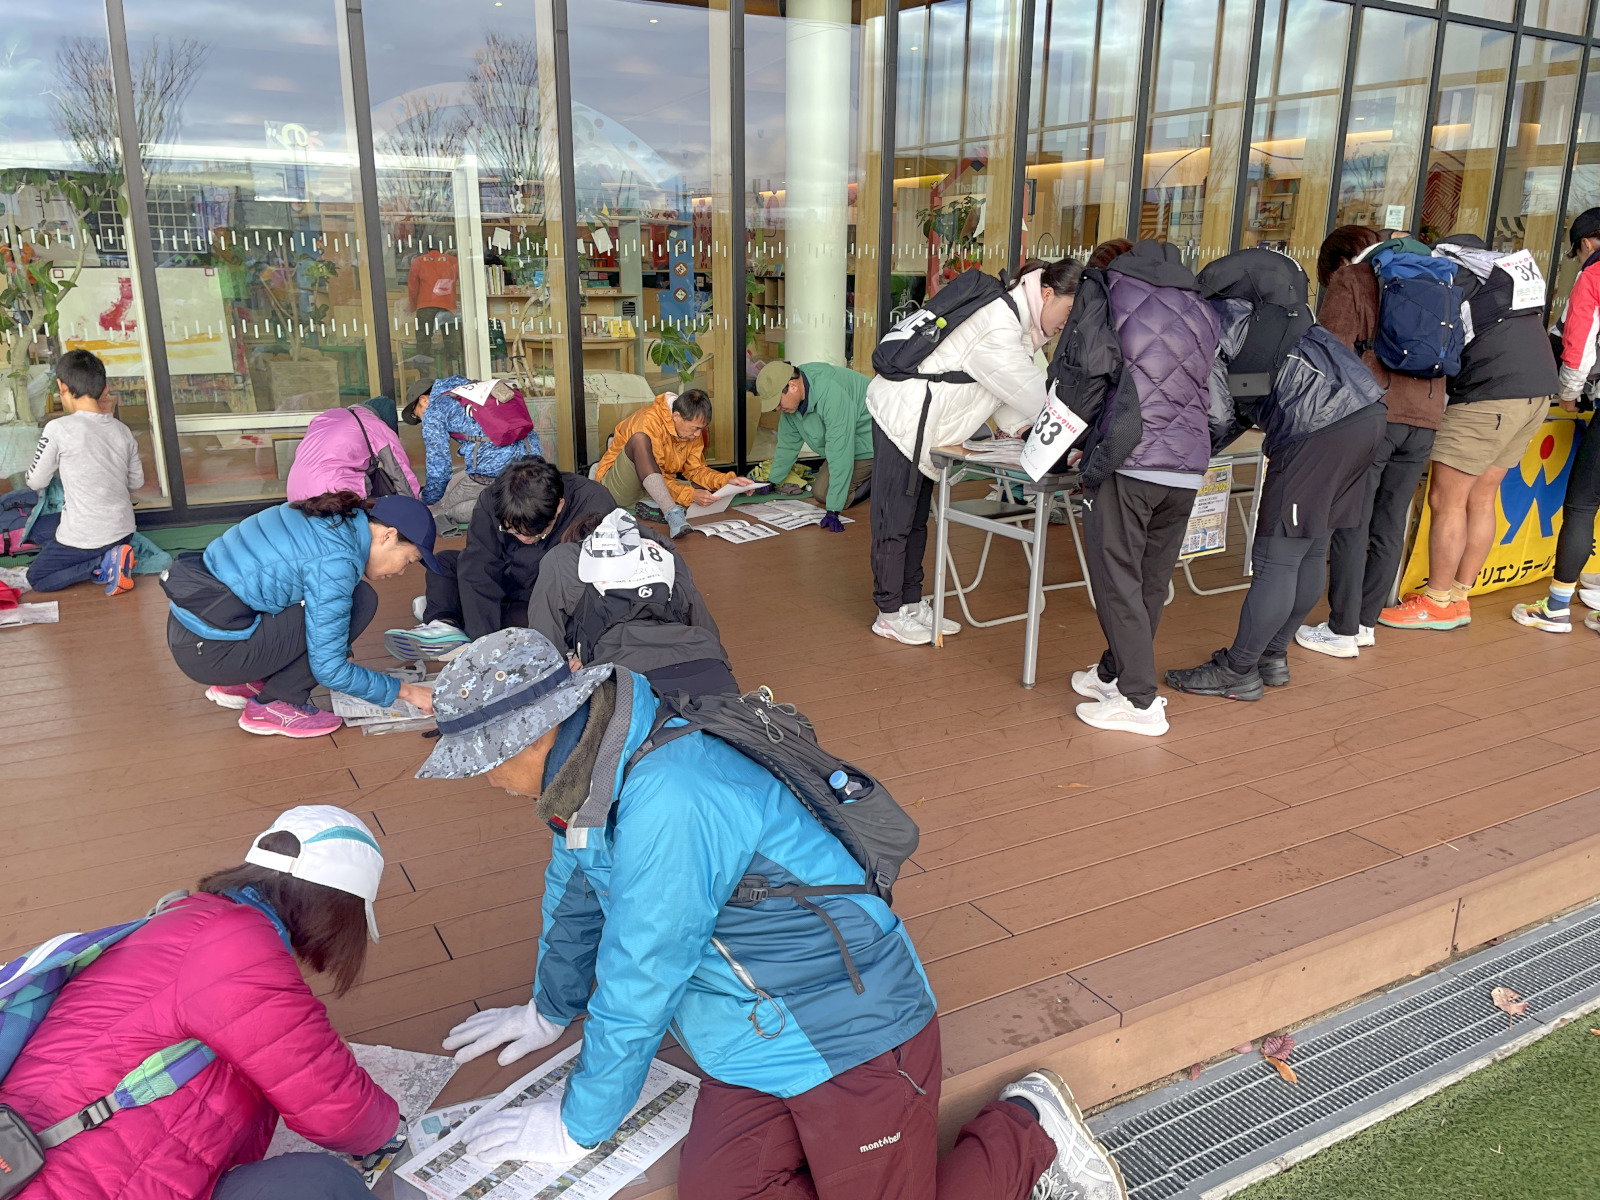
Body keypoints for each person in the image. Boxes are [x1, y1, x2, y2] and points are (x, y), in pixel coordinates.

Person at [417, 628, 1128, 1200]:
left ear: (533, 735)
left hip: (850, 1033)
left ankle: (1029, 1129)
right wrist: (549, 1008)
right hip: (747, 1038)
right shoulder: (588, 773)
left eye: (482, 761)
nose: (485, 779)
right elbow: (575, 892)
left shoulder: (672, 799)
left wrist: (579, 1125)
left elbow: (642, 973)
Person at [0, 805, 400, 1199]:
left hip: (65, 1166)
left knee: (309, 1181)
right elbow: (338, 1109)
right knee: (324, 1185)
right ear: (335, 910)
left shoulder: (191, 919)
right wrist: (388, 1129)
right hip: (73, 1182)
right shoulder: (236, 948)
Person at [1166, 248, 1388, 701]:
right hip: (1367, 414)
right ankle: (1271, 655)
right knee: (1311, 548)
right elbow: (1248, 397)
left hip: (1315, 429)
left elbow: (1217, 415)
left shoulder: (1210, 323)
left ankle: (1238, 670)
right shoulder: (1285, 319)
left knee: (1278, 558)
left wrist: (1187, 456)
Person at [865, 259, 1082, 645]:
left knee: (916, 521)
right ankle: (889, 613)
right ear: (1047, 294)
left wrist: (1021, 428)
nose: (1068, 322)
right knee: (894, 520)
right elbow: (1033, 393)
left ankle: (910, 603)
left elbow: (1002, 392)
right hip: (903, 419)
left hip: (926, 426)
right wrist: (1083, 429)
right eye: (1068, 310)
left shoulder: (1015, 324)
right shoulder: (999, 323)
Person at [1065, 239, 1220, 736]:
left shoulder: (1110, 291)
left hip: (1129, 457)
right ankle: (1113, 674)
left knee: (1116, 581)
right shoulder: (1202, 308)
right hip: (1188, 465)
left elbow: (1084, 373)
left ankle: (1139, 701)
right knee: (1150, 580)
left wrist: (1078, 443)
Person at [1378, 233, 1561, 631]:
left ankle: (1436, 601)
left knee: (1446, 499)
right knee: (1481, 497)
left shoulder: (1453, 277)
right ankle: (1458, 597)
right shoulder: (1503, 279)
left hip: (1489, 396)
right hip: (1536, 394)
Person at [165, 492, 440, 739]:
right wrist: (409, 692)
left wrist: (338, 644)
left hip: (196, 632)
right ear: (388, 536)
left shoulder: (331, 520)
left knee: (341, 610)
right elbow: (330, 669)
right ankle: (276, 704)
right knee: (361, 601)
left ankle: (245, 682)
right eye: (408, 560)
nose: (400, 572)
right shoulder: (336, 559)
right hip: (214, 653)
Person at [1296, 228, 1450, 657]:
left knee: (1352, 520)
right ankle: (1366, 622)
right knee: (1390, 521)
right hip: (1426, 415)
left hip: (1374, 414)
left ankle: (1342, 629)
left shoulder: (1353, 279)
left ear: (1339, 262)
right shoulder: (1437, 279)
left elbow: (1331, 352)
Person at [385, 457, 617, 661]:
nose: (523, 539)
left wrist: (586, 646)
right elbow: (479, 567)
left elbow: (605, 584)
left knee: (533, 623)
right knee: (445, 563)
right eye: (512, 531)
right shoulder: (492, 499)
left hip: (547, 601)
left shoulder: (593, 503)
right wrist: (483, 644)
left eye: (535, 535)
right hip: (507, 579)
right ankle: (443, 623)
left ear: (559, 506)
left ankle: (451, 612)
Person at [525, 508, 735, 696]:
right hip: (706, 662)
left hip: (625, 677)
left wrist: (569, 666)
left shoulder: (564, 558)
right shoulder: (667, 556)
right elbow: (704, 625)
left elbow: (544, 639)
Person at [1512, 207, 1600, 634]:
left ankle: (1557, 608)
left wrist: (1568, 394)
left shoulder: (1593, 274)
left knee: (1582, 504)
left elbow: (1578, 346)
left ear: (1586, 243)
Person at [22, 349, 142, 596]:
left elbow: (36, 481)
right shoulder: (122, 430)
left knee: (37, 577)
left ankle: (104, 563)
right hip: (123, 531)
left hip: (85, 536)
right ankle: (115, 555)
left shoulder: (58, 428)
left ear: (62, 387)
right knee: (44, 529)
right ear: (104, 388)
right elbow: (136, 482)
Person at [592, 388, 756, 538]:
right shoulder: (648, 421)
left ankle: (654, 505)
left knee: (704, 488)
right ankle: (671, 512)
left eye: (702, 429)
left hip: (651, 488)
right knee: (639, 439)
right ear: (676, 417)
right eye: (695, 428)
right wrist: (689, 495)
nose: (698, 434)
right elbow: (657, 475)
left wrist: (727, 481)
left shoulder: (690, 429)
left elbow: (697, 470)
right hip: (617, 490)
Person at [404, 374, 543, 528]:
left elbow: (439, 468)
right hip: (531, 456)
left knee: (443, 510)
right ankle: (521, 501)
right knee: (459, 485)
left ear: (424, 400)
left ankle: (515, 508)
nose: (422, 420)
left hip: (492, 468)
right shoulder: (469, 387)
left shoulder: (434, 409)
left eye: (418, 414)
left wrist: (428, 501)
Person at [756, 359, 874, 528]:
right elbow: (787, 445)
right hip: (847, 445)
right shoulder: (793, 404)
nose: (777, 409)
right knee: (820, 492)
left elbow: (839, 451)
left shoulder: (831, 393)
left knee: (831, 496)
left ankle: (879, 475)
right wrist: (773, 480)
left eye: (778, 402)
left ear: (792, 386)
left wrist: (833, 510)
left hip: (872, 444)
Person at [286, 399, 421, 502]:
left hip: (295, 491)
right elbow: (399, 470)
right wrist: (413, 507)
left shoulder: (325, 418)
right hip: (333, 491)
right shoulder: (374, 424)